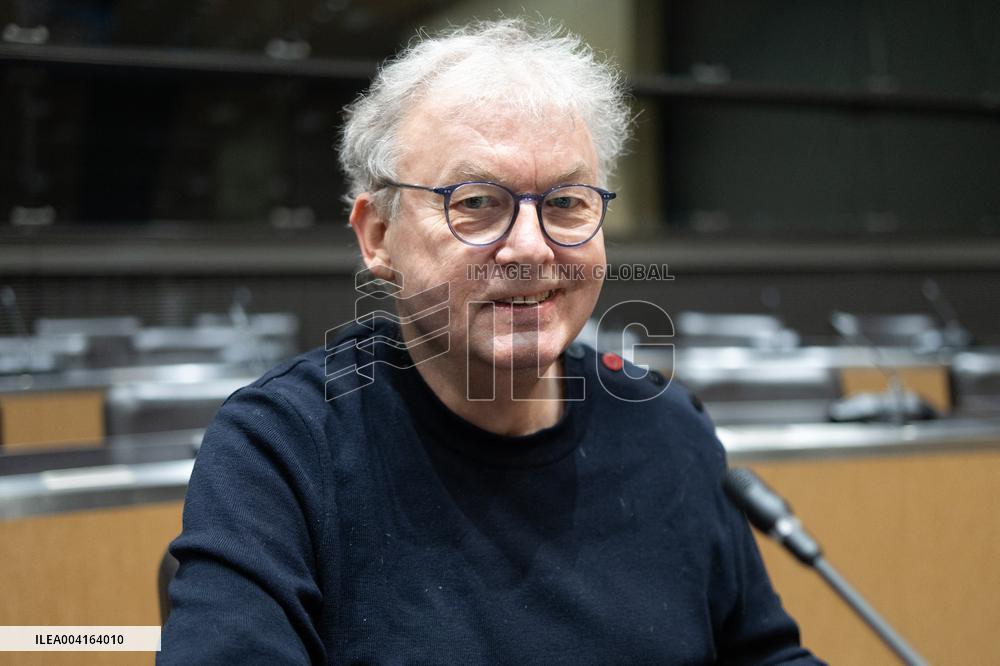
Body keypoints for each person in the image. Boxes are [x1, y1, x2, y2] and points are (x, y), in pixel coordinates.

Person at [160, 18, 822, 664]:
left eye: (566, 202)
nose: (532, 248)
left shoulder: (668, 428)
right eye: (475, 202)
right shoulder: (281, 449)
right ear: (378, 236)